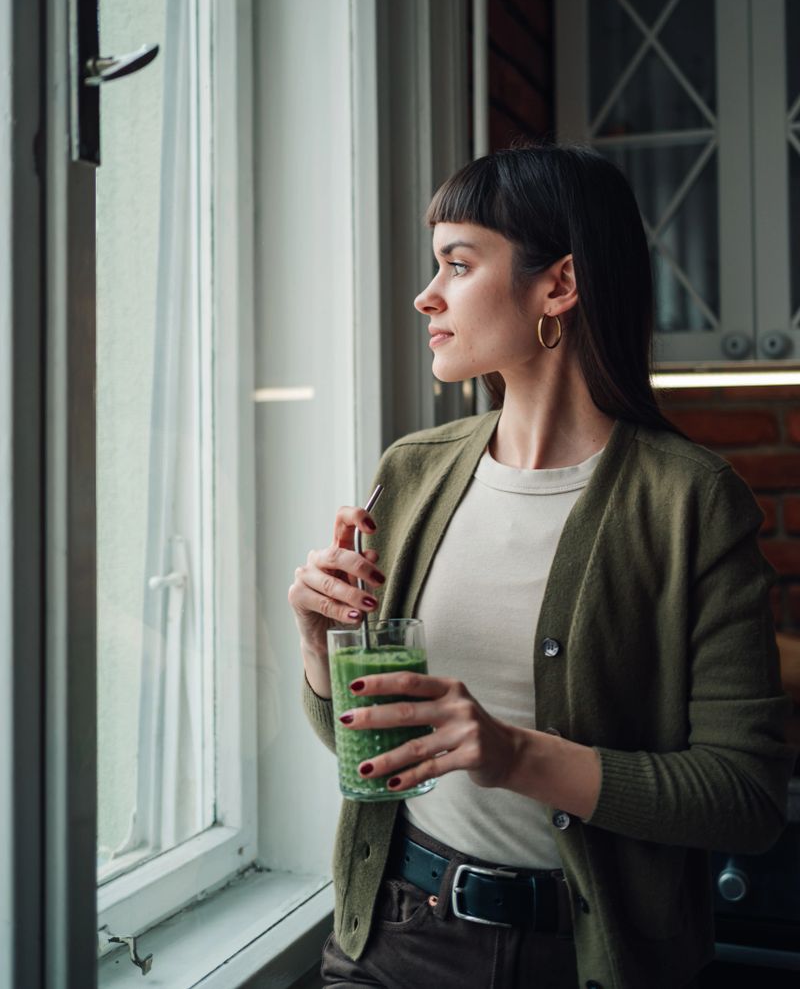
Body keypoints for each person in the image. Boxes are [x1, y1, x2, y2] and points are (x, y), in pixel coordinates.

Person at [288, 145, 794, 989]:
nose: (427, 294)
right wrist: (319, 653)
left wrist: (512, 752)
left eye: (458, 263)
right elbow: (371, 747)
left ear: (557, 285)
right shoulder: (409, 473)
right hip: (393, 940)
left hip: (589, 961)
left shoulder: (692, 503)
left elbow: (743, 797)